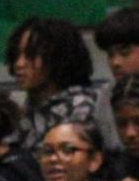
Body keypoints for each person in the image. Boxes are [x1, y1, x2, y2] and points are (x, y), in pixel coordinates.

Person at [9, 18, 116, 152]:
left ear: (57, 57)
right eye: (16, 55)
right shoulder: (29, 108)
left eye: (30, 56)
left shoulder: (83, 107)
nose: (19, 64)